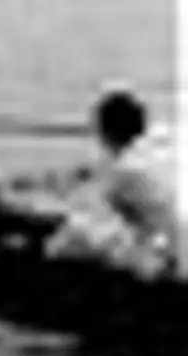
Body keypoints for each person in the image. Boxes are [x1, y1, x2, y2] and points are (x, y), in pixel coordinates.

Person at [47, 91, 181, 275]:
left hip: (164, 261)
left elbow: (87, 196)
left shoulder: (125, 172)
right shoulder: (143, 158)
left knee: (66, 242)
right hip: (166, 248)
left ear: (101, 131)